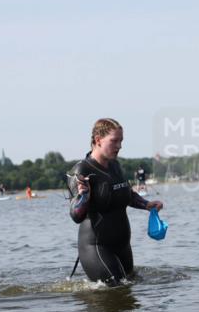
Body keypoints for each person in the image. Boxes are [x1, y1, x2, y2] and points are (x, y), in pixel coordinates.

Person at [68, 118, 164, 285]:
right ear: (98, 140)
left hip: (122, 246)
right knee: (117, 287)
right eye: (114, 141)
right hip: (96, 247)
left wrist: (146, 204)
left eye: (121, 141)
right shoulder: (81, 171)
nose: (119, 146)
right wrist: (85, 196)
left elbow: (126, 193)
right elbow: (76, 215)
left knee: (129, 293)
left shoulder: (115, 166)